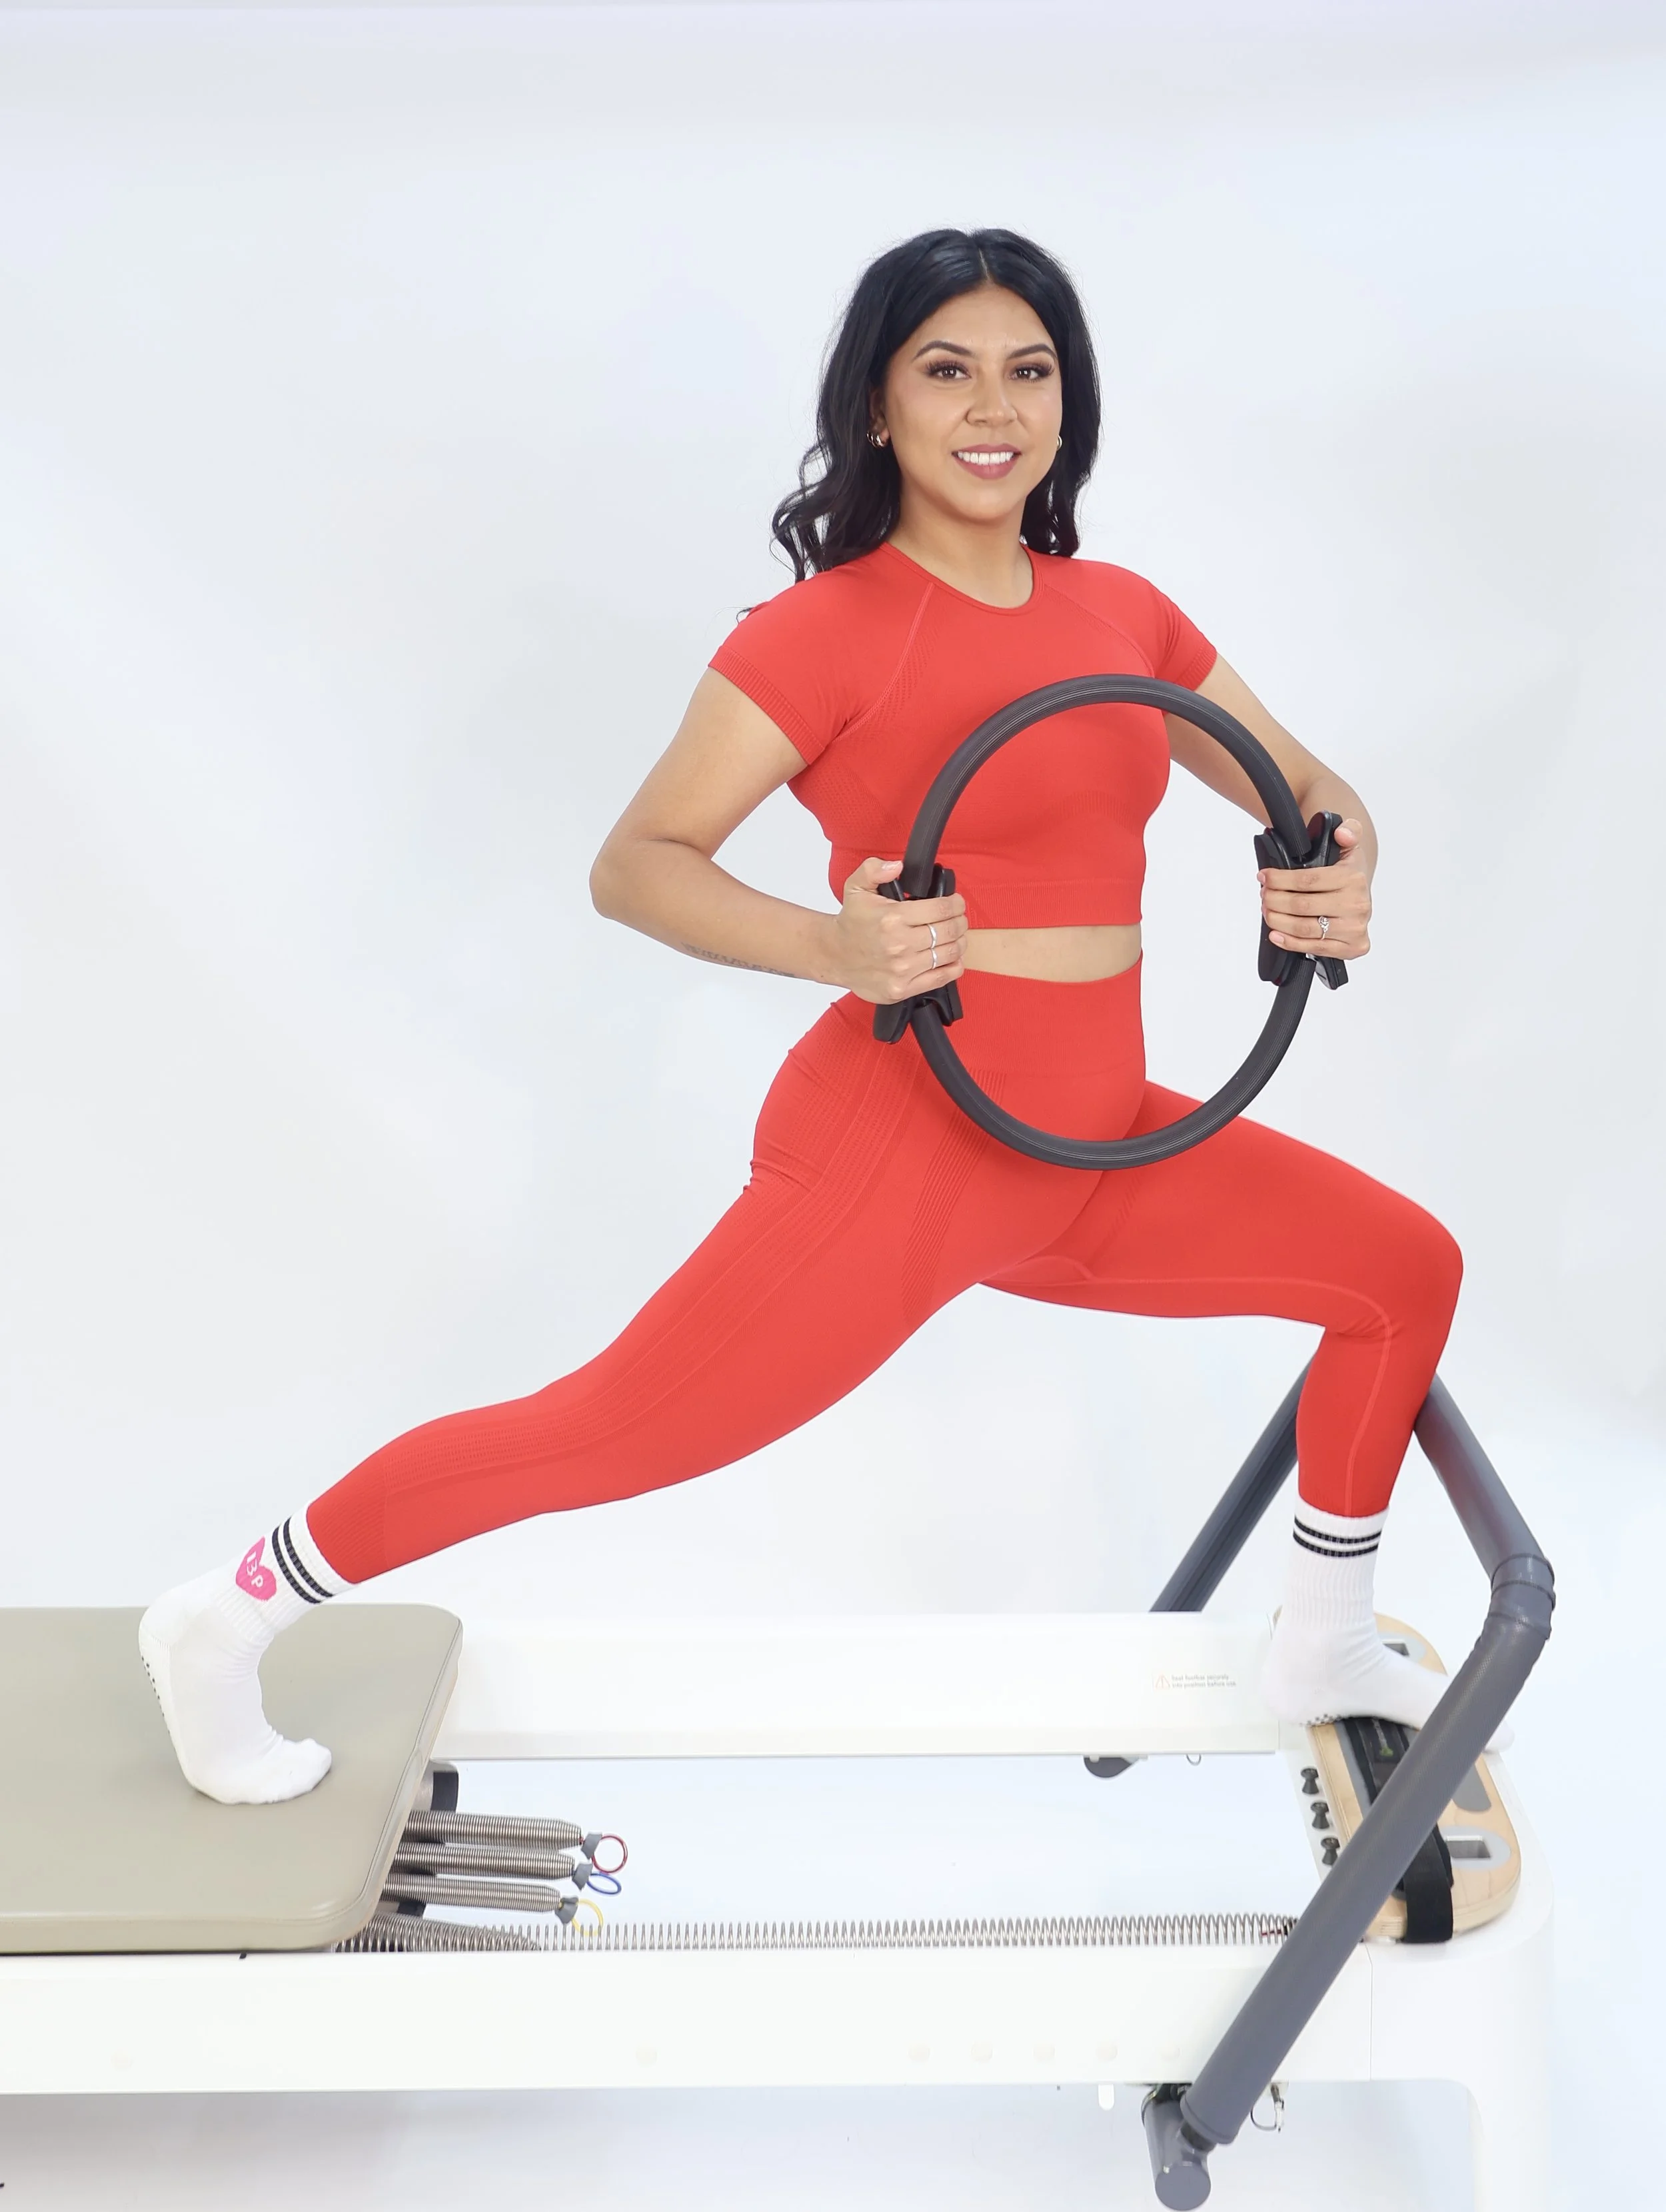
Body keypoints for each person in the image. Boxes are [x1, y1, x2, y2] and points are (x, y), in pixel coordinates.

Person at [140, 228, 1477, 1806]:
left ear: (1069, 402)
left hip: (1090, 1137)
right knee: (607, 1434)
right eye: (946, 368)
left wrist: (1334, 856)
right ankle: (223, 1618)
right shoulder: (826, 632)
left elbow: (1301, 784)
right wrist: (834, 948)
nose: (993, 406)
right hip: (902, 1147)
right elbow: (634, 865)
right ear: (875, 408)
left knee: (1399, 1269)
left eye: (1028, 369)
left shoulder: (1123, 611)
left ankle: (1317, 1633)